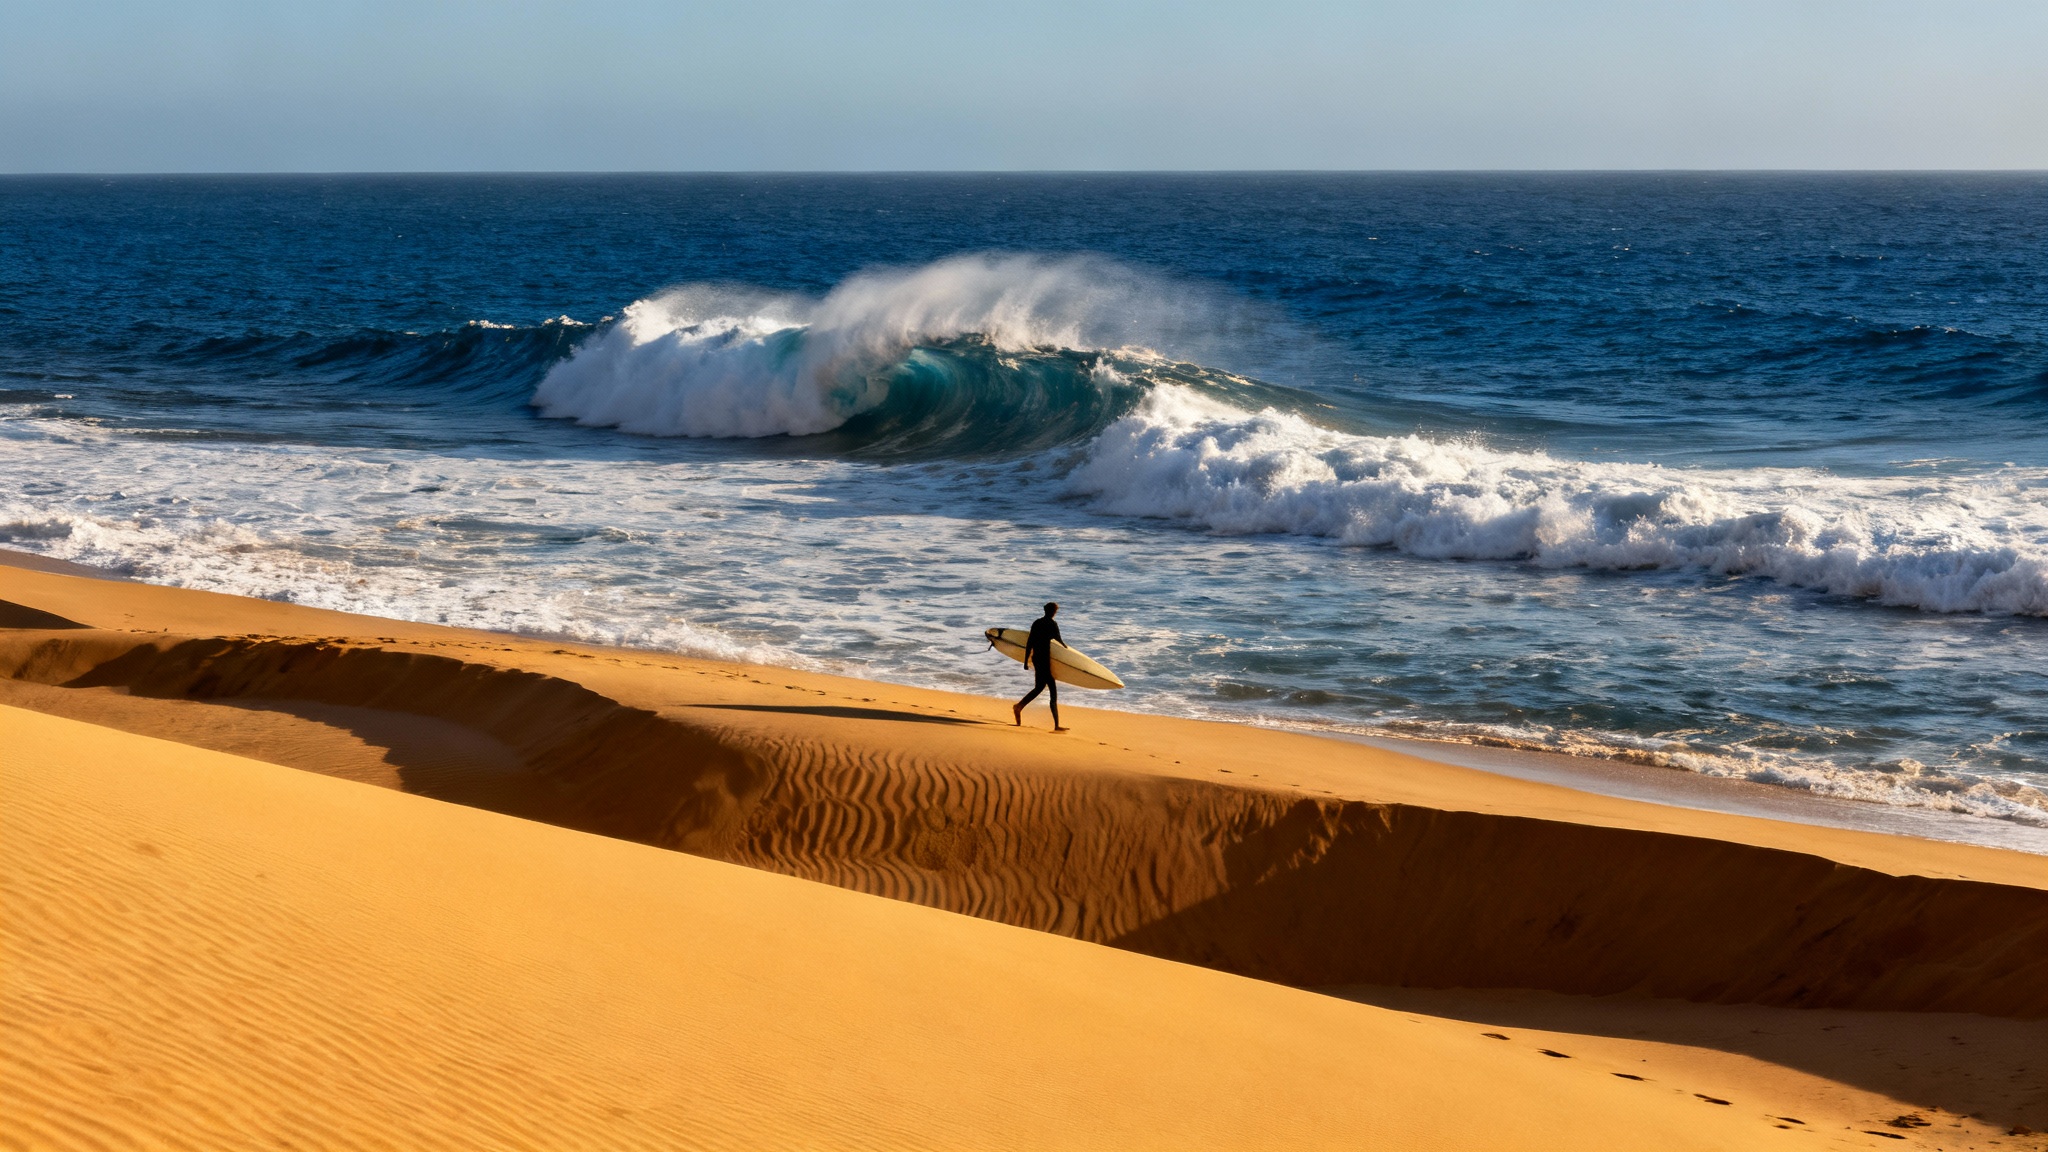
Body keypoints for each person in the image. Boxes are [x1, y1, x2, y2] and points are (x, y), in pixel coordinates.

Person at [1013, 602, 1066, 731]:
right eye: (1055, 610)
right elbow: (1059, 640)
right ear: (1053, 612)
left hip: (1036, 659)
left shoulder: (1037, 623)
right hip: (1044, 660)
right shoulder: (1052, 624)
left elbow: (1030, 642)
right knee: (1052, 690)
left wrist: (1026, 661)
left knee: (1039, 687)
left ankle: (1019, 706)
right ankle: (1056, 725)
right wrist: (1066, 649)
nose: (1055, 612)